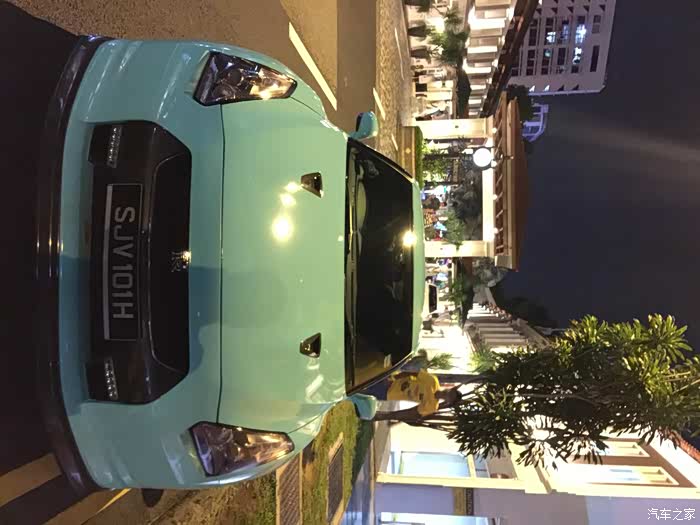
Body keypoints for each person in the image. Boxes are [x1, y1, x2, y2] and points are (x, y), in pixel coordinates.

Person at [363, 368, 460, 417]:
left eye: (450, 398)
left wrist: (392, 415)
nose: (448, 395)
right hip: (389, 382)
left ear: (448, 401)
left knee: (362, 391)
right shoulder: (432, 381)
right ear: (450, 389)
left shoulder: (432, 406)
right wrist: (393, 377)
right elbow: (413, 373)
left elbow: (413, 412)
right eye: (451, 393)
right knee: (362, 379)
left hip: (388, 394)